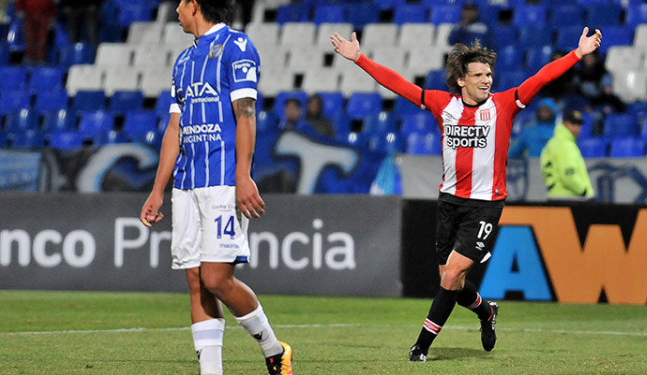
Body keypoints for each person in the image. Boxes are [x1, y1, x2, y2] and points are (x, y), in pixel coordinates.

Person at [331, 26, 602, 361]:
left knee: (454, 273)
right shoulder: (443, 104)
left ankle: (421, 347)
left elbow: (541, 78)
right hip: (449, 202)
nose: (487, 80)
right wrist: (359, 59)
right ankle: (486, 312)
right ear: (461, 79)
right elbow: (400, 85)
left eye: (489, 73)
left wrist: (577, 54)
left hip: (485, 205)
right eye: (479, 74)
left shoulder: (505, 105)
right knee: (451, 281)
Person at [139, 1, 292, 375]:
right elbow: (174, 129)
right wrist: (158, 189)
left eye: (180, 2)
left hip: (223, 180)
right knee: (195, 281)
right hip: (187, 184)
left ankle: (274, 348)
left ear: (195, 4)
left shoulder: (237, 47)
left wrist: (243, 175)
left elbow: (245, 114)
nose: (175, 8)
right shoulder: (183, 62)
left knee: (215, 278)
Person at [540, 110, 594, 200]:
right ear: (564, 123)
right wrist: (584, 191)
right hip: (569, 197)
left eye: (579, 124)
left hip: (554, 195)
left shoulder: (552, 143)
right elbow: (568, 175)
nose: (577, 128)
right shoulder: (566, 145)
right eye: (573, 123)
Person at [15, 0, 56, 65]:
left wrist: (51, 16)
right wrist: (20, 10)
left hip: (43, 17)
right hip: (29, 16)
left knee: (42, 40)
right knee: (29, 39)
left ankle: (40, 59)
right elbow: (20, 3)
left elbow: (51, 5)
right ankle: (29, 59)